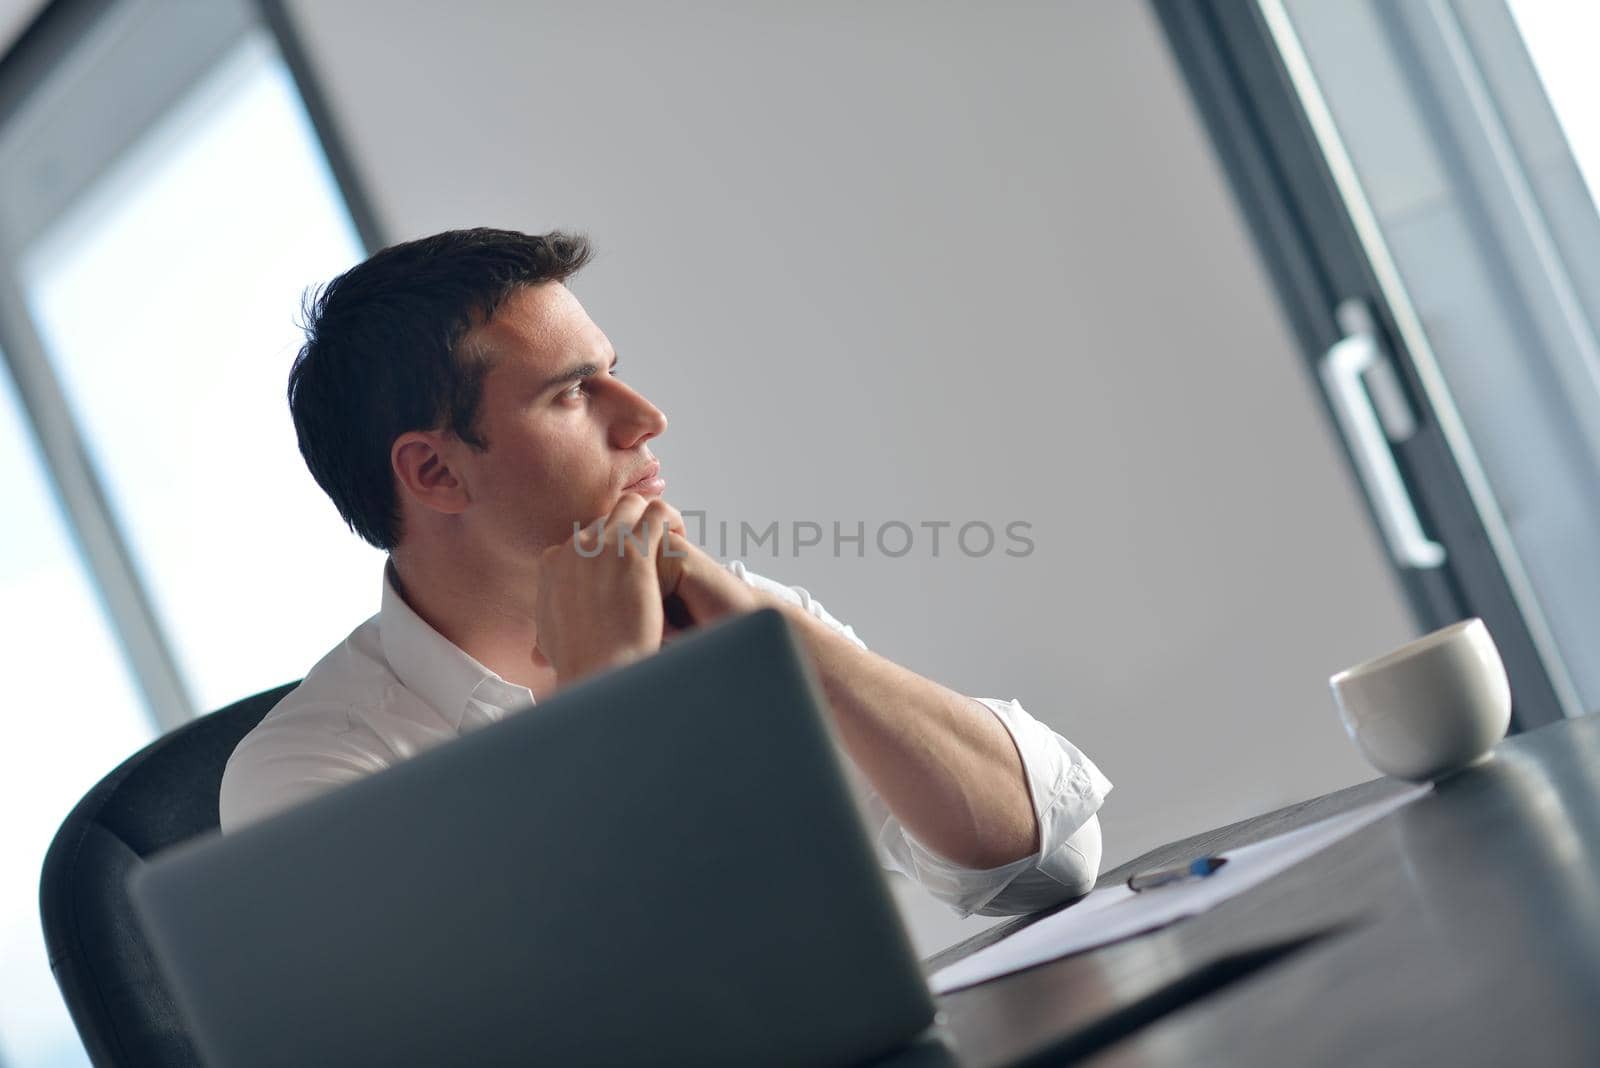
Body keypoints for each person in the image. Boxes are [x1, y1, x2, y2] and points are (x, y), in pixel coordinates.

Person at [220, 228, 1111, 917]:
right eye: (572, 392)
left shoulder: (728, 621)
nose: (646, 417)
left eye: (615, 374)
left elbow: (1042, 869)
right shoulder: (308, 774)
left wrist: (778, 633)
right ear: (436, 472)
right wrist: (602, 694)